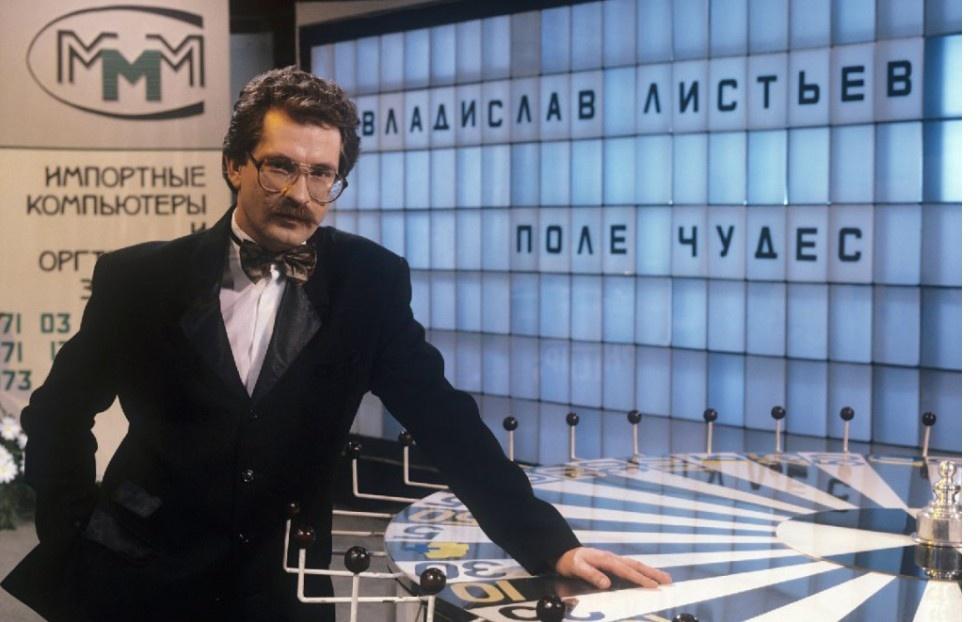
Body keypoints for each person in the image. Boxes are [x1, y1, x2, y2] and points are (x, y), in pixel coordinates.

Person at [2, 66, 669, 621]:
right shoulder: (139, 279)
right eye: (280, 168)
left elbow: (446, 422)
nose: (301, 194)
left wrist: (548, 544)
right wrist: (72, 531)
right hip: (135, 581)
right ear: (233, 165)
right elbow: (58, 413)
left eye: (322, 174)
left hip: (284, 584)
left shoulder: (369, 282)